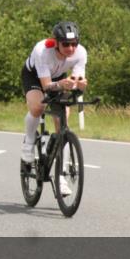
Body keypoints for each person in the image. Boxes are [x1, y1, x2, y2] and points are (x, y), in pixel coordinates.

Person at [20, 21, 88, 195]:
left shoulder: (80, 53)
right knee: (38, 107)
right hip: (36, 78)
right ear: (56, 42)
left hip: (58, 78)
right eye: (66, 44)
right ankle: (28, 142)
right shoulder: (42, 50)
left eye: (74, 44)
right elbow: (47, 85)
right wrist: (62, 84)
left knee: (63, 122)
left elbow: (77, 80)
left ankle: (61, 177)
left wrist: (80, 85)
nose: (71, 48)